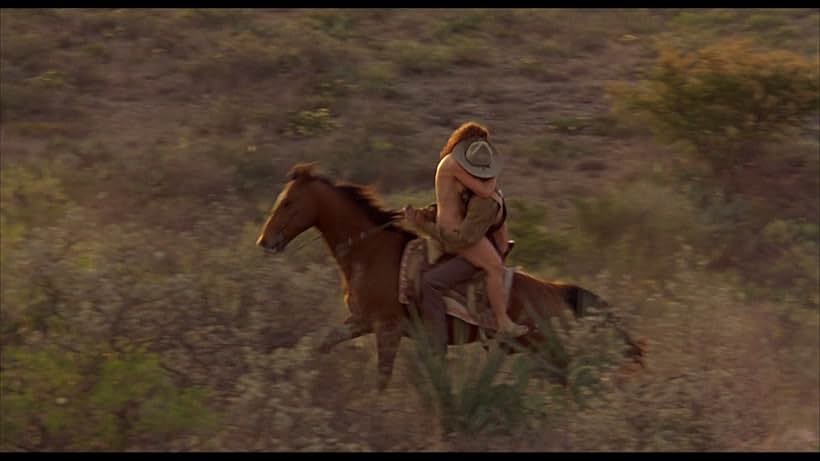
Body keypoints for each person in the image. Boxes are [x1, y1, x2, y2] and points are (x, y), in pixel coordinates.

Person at [404, 122, 528, 355]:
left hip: (459, 226)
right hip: (453, 231)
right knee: (493, 266)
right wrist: (493, 179)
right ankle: (502, 322)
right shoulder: (452, 164)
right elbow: (483, 192)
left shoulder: (455, 163)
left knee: (492, 261)